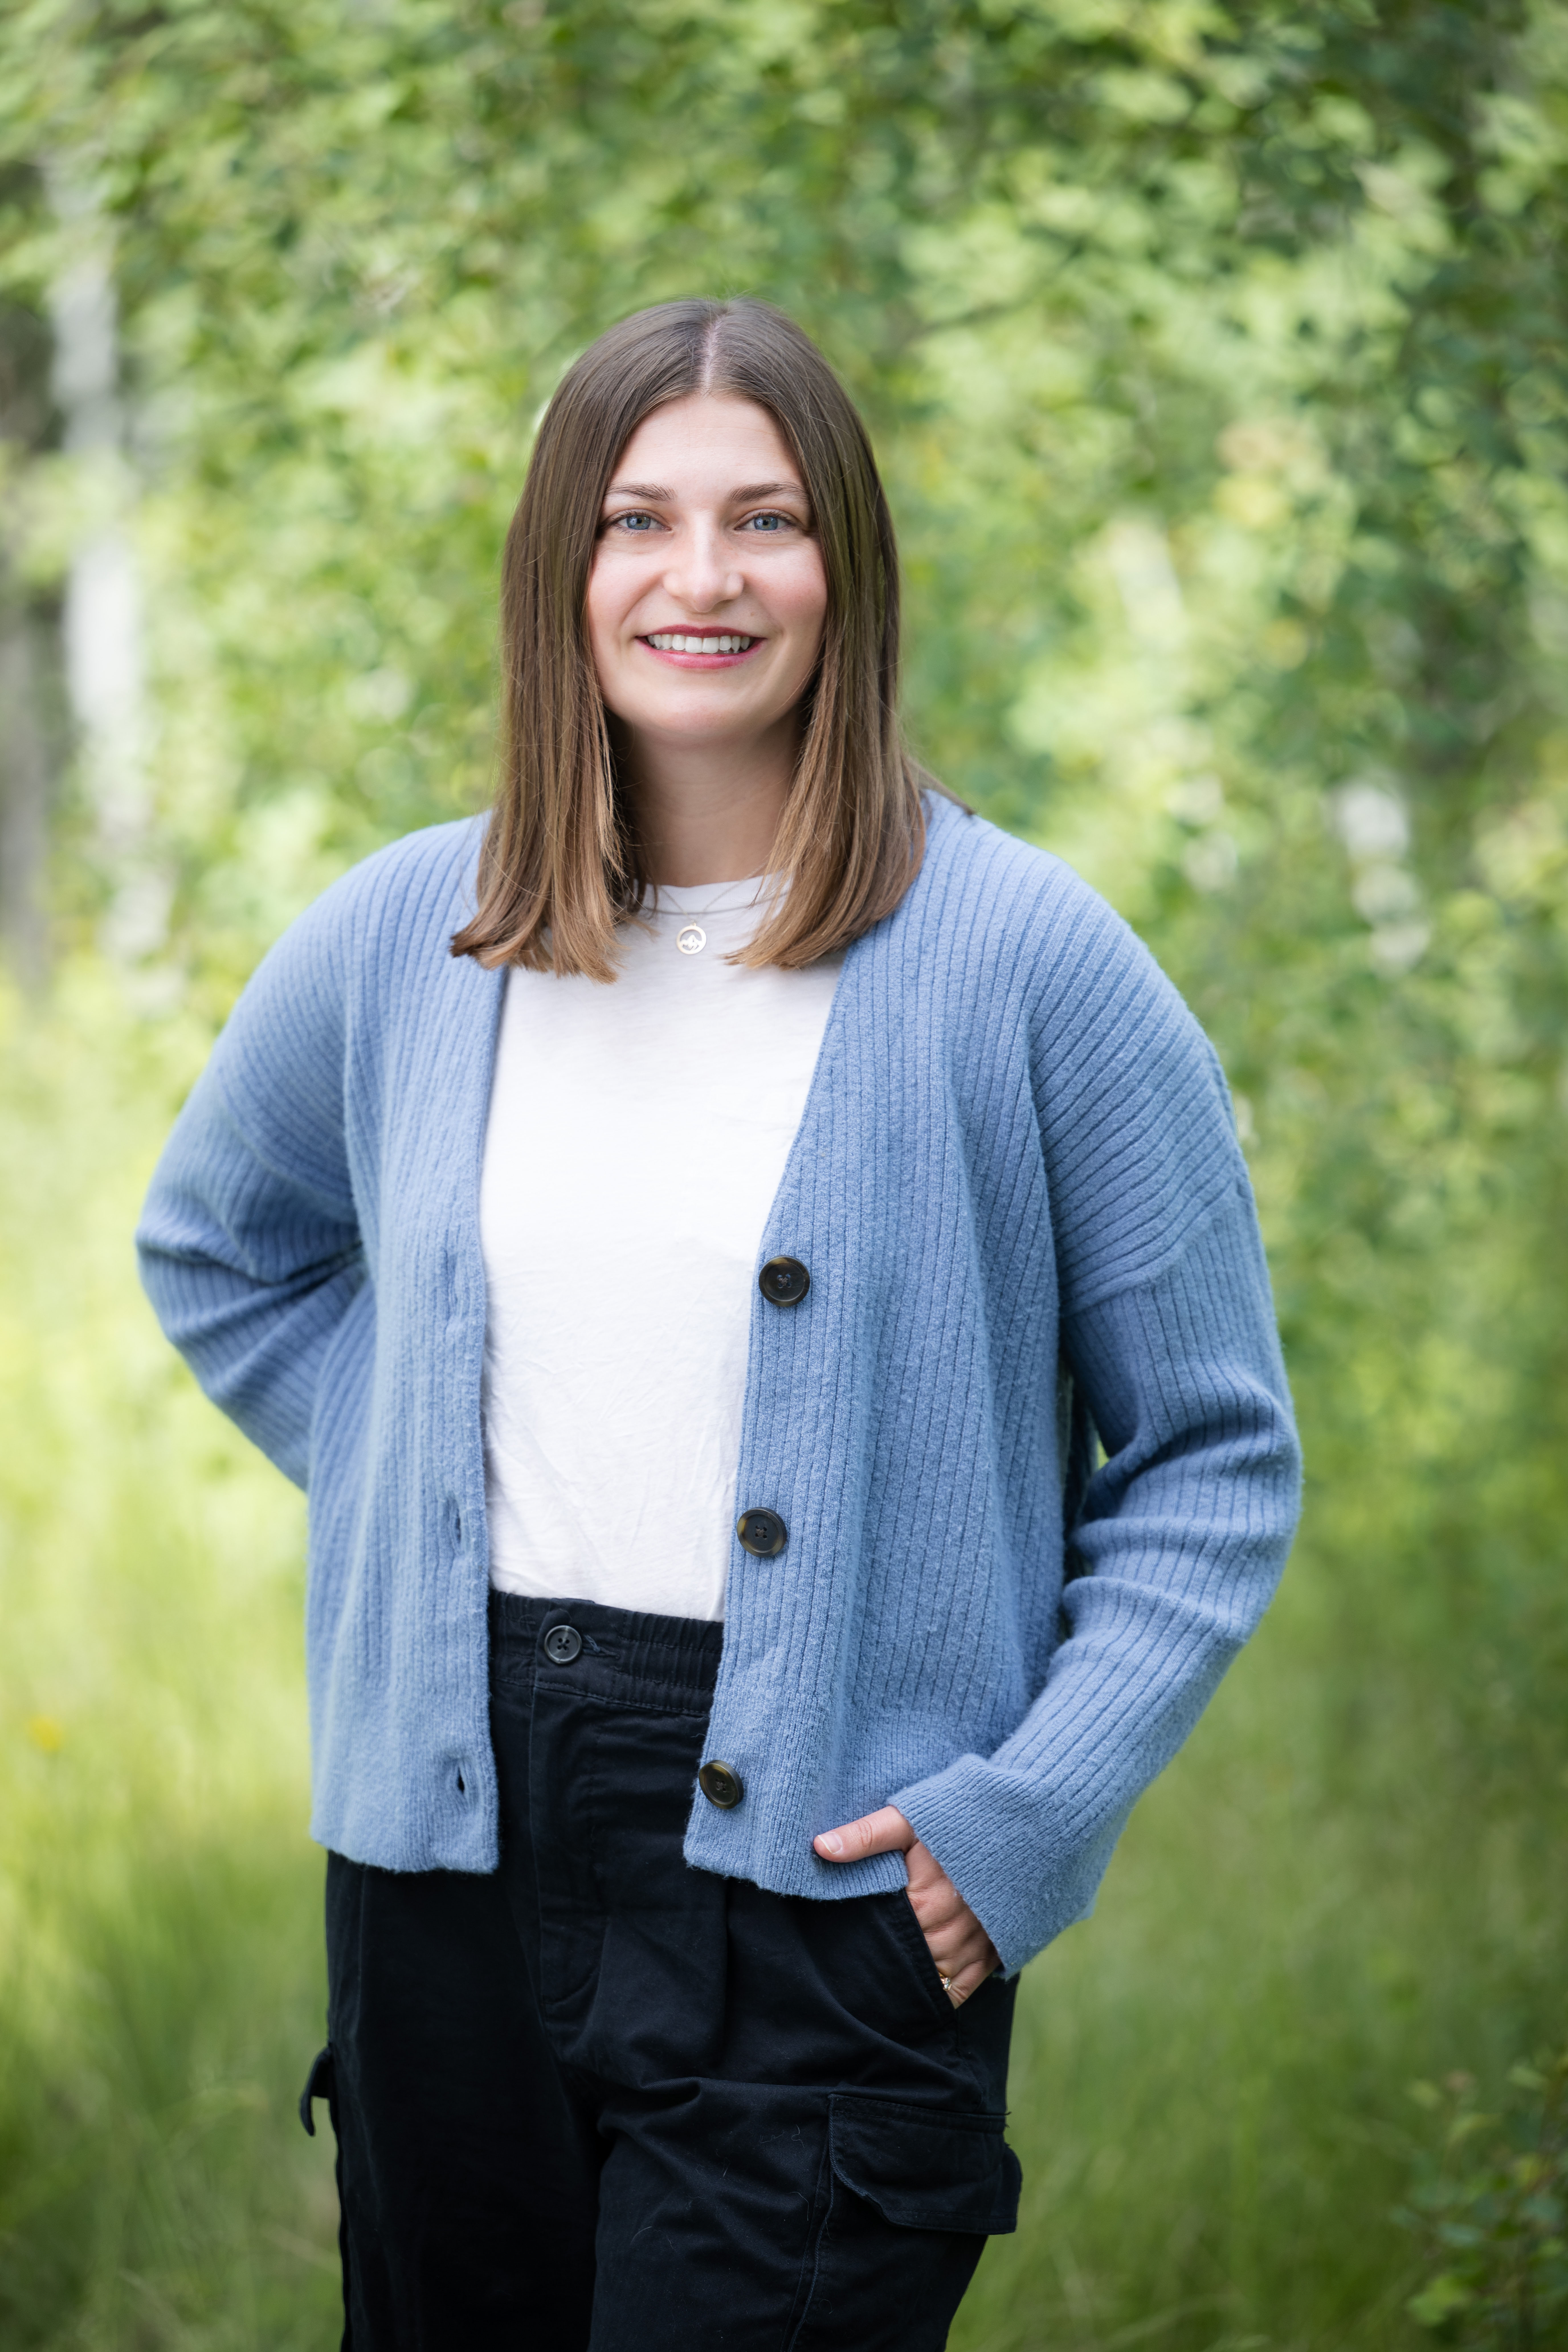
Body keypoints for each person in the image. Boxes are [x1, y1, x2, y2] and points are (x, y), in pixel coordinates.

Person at [136, 297, 1301, 2351]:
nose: (701, 579)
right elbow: (224, 1250)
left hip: (835, 1865)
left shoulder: (1030, 962)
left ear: (843, 562)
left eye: (764, 520)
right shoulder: (413, 932)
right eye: (637, 520)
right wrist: (417, 1470)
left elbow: (1215, 1455)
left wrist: (1026, 1809)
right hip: (446, 1848)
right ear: (556, 573)